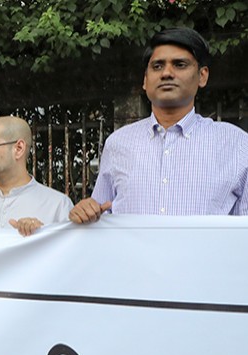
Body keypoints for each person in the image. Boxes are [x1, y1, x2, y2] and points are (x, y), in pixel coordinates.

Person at [70, 27, 248, 223]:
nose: (167, 73)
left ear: (202, 76)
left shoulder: (236, 144)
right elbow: (100, 218)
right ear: (145, 80)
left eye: (180, 64)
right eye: (157, 66)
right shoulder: (118, 144)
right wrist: (85, 212)